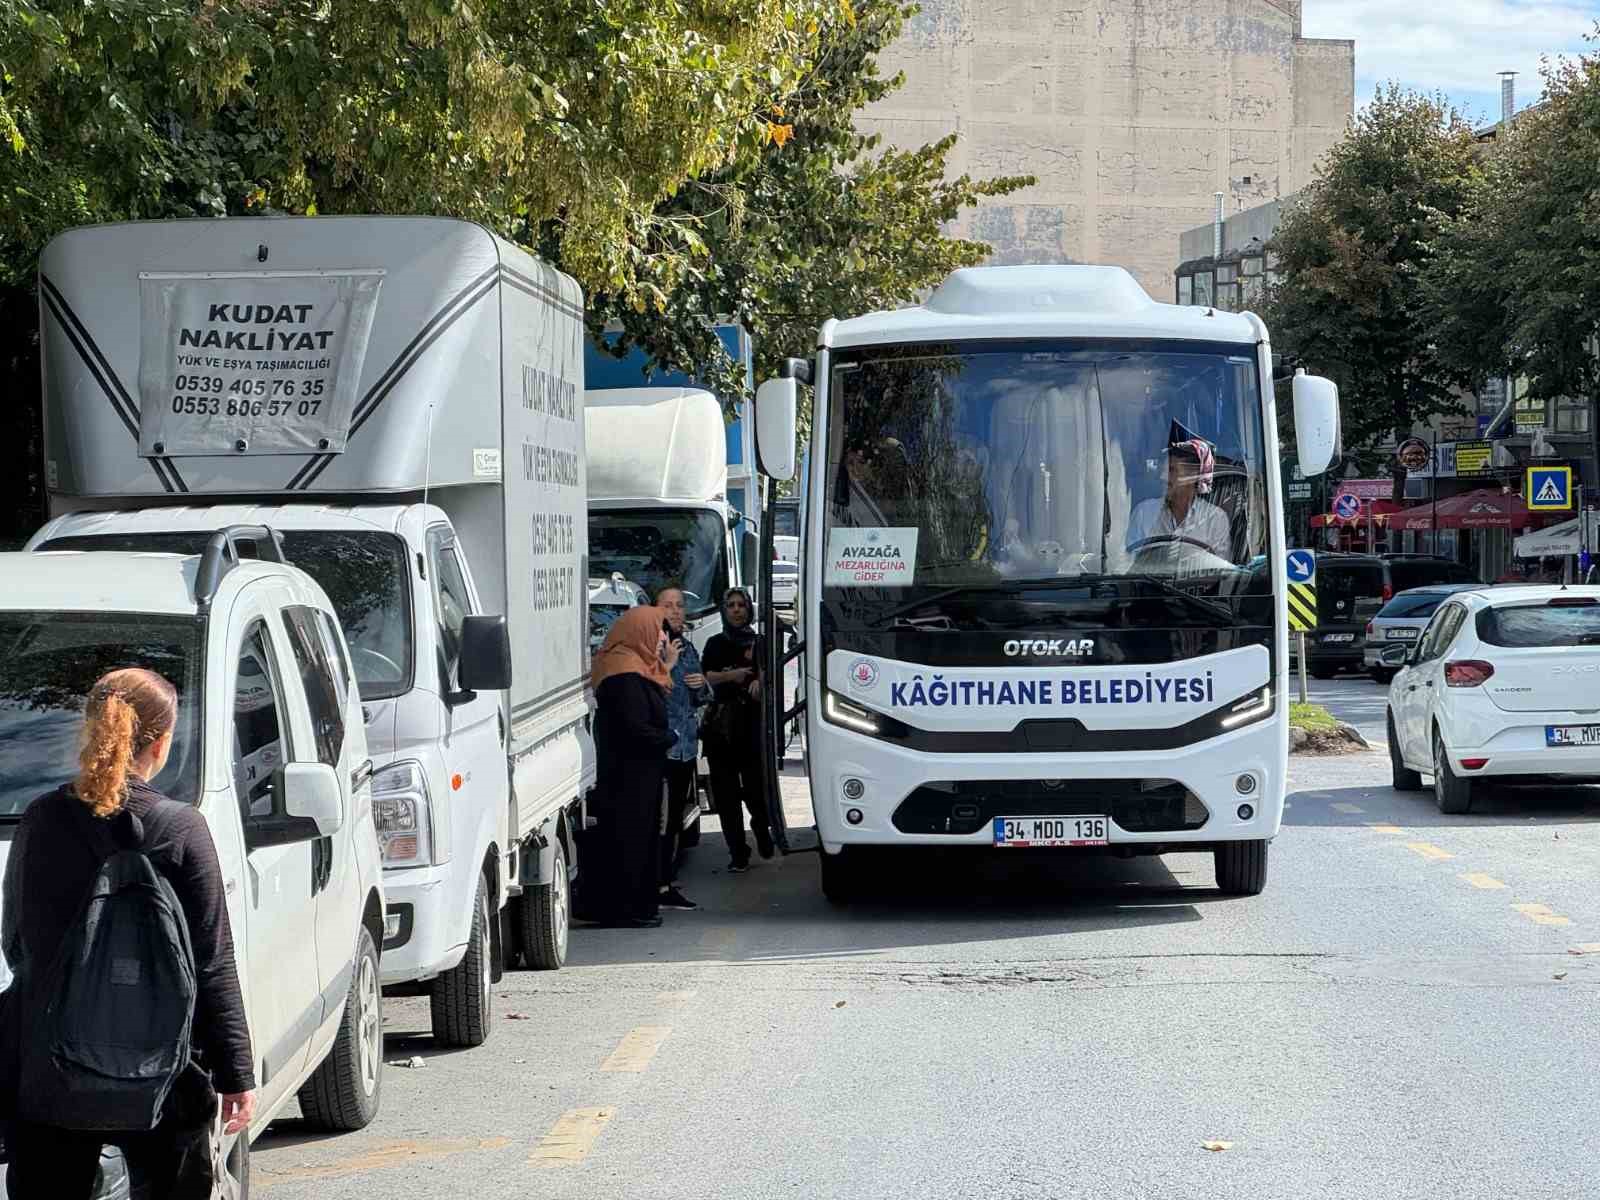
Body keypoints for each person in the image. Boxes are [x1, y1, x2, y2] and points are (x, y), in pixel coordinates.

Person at [1, 668, 255, 1200]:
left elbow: (16, 942)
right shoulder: (181, 827)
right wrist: (236, 1072)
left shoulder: (42, 819)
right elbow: (212, 961)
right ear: (160, 743)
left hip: (51, 1074)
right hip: (163, 1074)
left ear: (91, 729)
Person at [585, 606, 678, 928]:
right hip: (629, 778)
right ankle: (626, 908)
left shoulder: (636, 667)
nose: (663, 638)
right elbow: (634, 728)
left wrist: (665, 666)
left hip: (639, 775)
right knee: (630, 841)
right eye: (658, 630)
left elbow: (660, 689)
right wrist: (669, 736)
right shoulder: (623, 674)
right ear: (639, 631)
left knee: (640, 838)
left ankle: (636, 906)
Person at [701, 588, 772, 873]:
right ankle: (737, 852)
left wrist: (760, 681)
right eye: (730, 605)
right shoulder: (715, 643)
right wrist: (734, 675)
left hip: (752, 726)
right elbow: (707, 676)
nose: (736, 610)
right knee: (727, 796)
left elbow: (771, 672)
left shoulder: (760, 642)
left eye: (741, 605)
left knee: (756, 791)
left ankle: (762, 828)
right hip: (721, 729)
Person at [655, 586, 711, 912]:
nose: (676, 611)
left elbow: (702, 696)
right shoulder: (652, 646)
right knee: (661, 822)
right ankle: (658, 885)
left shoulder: (686, 646)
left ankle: (666, 881)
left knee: (675, 820)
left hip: (686, 747)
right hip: (662, 748)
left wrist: (702, 686)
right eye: (668, 606)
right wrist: (667, 665)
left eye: (679, 606)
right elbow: (649, 692)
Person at [1127, 438, 1232, 561]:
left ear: (1192, 475)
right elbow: (1127, 563)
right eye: (1164, 469)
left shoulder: (1215, 519)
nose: (1162, 477)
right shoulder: (1143, 513)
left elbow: (1222, 575)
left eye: (1172, 470)